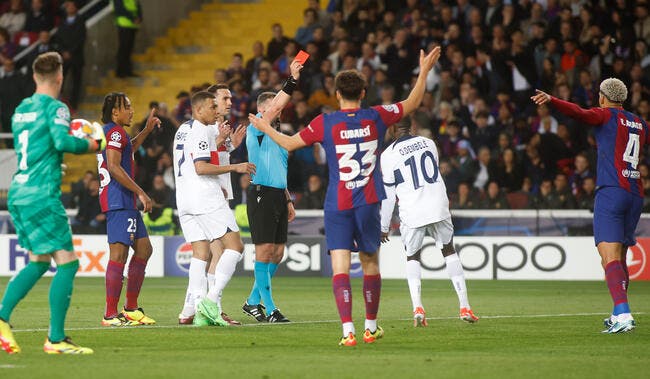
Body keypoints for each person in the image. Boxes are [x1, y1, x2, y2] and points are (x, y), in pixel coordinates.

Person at [248, 46, 442, 346]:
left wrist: (263, 126)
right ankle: (371, 326)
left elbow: (287, 143)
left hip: (337, 204)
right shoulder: (375, 116)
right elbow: (413, 102)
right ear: (363, 92)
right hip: (368, 202)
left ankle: (347, 331)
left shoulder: (325, 123)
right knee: (370, 263)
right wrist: (424, 70)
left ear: (336, 94)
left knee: (340, 267)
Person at [531, 78, 649, 333]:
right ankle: (618, 310)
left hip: (611, 192)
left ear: (603, 97)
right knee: (618, 256)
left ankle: (623, 314)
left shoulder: (605, 115)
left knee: (608, 257)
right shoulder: (639, 123)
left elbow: (579, 113)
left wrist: (553, 100)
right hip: (635, 193)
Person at [0, 52, 98, 354]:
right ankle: (55, 338)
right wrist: (96, 144)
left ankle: (3, 318)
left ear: (33, 77)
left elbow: (38, 148)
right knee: (68, 263)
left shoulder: (21, 109)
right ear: (60, 77)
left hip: (19, 190)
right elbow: (63, 142)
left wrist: (53, 164)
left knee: (40, 260)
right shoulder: (56, 108)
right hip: (42, 195)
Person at [380, 119, 479, 327]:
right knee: (449, 250)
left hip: (412, 208)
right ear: (412, 127)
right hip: (438, 204)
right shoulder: (429, 143)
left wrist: (383, 225)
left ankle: (417, 307)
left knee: (412, 255)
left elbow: (388, 195)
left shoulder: (388, 155)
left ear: (392, 129)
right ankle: (465, 306)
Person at [173, 91, 254, 327]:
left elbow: (193, 158)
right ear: (200, 109)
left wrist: (226, 146)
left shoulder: (185, 129)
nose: (219, 110)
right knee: (235, 247)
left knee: (200, 253)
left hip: (184, 197)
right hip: (205, 197)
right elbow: (201, 166)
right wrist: (235, 166)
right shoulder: (203, 129)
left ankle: (195, 308)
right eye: (215, 105)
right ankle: (210, 302)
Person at [241, 59, 303, 324]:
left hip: (278, 195)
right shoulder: (257, 130)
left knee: (277, 253)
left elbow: (281, 171)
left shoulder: (279, 137)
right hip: (261, 193)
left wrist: (288, 199)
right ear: (263, 110)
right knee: (264, 251)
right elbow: (279, 103)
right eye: (272, 107)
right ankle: (271, 307)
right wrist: (292, 79)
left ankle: (252, 302)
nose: (277, 111)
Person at [98, 92, 160, 326]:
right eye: (128, 107)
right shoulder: (115, 132)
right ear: (115, 112)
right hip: (118, 200)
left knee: (144, 249)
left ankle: (131, 308)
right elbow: (114, 167)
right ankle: (110, 314)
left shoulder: (113, 133)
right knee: (119, 255)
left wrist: (145, 131)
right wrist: (141, 192)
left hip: (125, 201)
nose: (132, 110)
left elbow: (127, 150)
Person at [113, 0, 142, 78]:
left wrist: (140, 17)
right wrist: (133, 18)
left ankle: (128, 71)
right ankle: (120, 72)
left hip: (133, 25)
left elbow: (138, 6)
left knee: (129, 49)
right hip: (124, 24)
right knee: (123, 48)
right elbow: (120, 9)